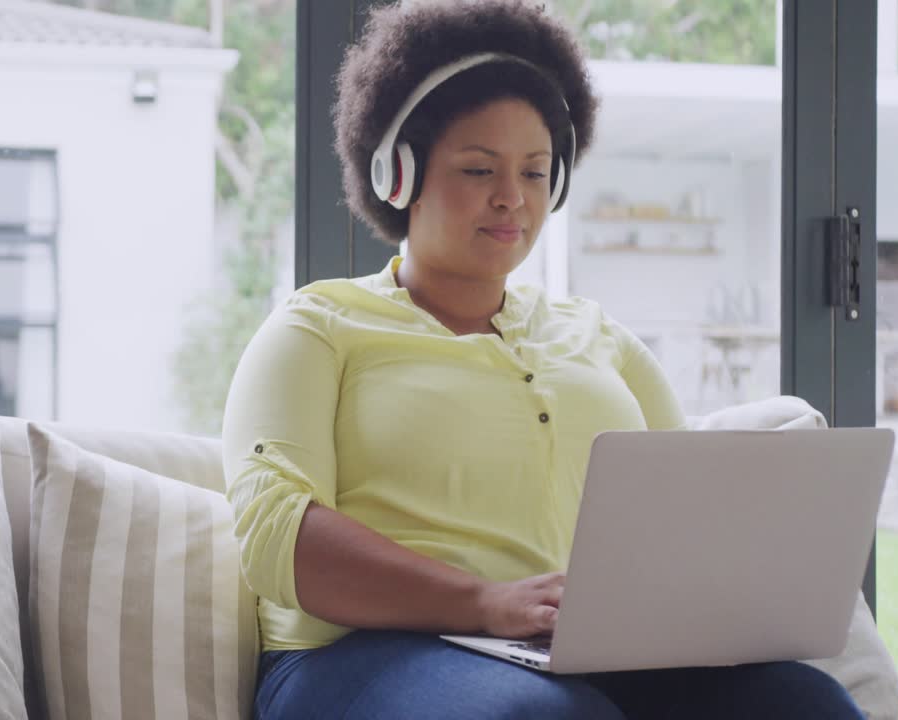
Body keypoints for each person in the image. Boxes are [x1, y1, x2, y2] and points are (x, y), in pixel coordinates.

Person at [221, 1, 865, 718]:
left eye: (534, 172)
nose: (511, 199)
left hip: (566, 653)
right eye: (477, 169)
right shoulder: (318, 327)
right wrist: (484, 602)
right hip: (358, 655)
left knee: (803, 701)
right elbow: (276, 532)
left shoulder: (600, 338)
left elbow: (684, 519)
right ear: (397, 175)